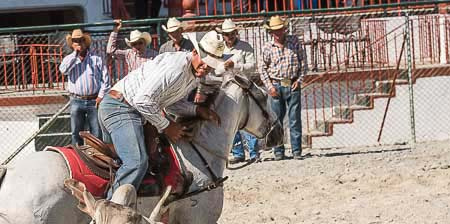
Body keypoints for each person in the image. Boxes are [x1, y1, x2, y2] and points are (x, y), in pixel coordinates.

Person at [98, 31, 225, 196]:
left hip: (126, 109)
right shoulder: (176, 68)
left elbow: (170, 103)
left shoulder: (191, 73)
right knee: (136, 162)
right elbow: (142, 100)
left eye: (211, 64)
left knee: (142, 160)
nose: (207, 67)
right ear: (195, 52)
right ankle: (111, 207)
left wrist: (197, 109)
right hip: (121, 108)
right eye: (205, 61)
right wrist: (168, 126)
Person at [260, 15, 307, 160]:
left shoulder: (295, 42)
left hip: (292, 83)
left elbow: (303, 63)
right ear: (271, 32)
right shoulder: (267, 47)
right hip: (276, 85)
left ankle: (296, 151)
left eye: (280, 29)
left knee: (294, 119)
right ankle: (278, 152)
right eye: (275, 30)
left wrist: (299, 80)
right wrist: (269, 86)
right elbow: (262, 68)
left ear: (284, 29)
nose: (278, 33)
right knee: (276, 121)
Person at [214, 19, 259, 164]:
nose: (229, 36)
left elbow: (252, 66)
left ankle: (253, 153)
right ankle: (238, 152)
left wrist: (236, 66)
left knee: (247, 120)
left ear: (236, 33)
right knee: (231, 121)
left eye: (231, 33)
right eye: (227, 34)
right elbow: (215, 68)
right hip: (227, 89)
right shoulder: (219, 49)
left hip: (243, 87)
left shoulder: (245, 47)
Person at [59, 29, 111, 145]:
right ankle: (78, 154)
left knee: (96, 131)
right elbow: (63, 71)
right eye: (75, 41)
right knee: (76, 131)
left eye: (81, 40)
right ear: (72, 44)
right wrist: (75, 56)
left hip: (94, 99)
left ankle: (96, 154)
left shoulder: (96, 59)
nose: (79, 43)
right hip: (76, 100)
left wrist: (100, 96)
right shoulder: (68, 59)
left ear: (85, 42)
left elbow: (106, 79)